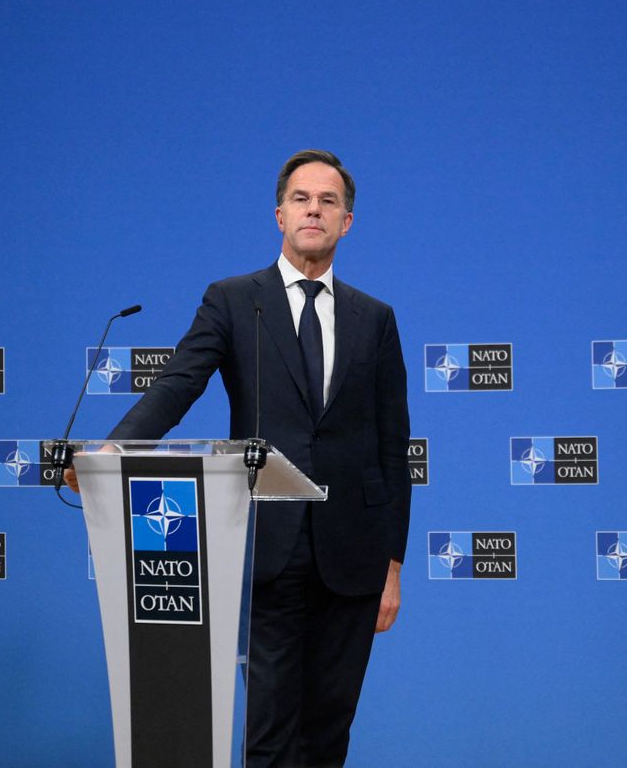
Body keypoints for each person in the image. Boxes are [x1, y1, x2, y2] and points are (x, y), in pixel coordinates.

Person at [69, 149, 410, 768]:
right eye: (302, 199)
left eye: (328, 201)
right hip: (267, 552)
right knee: (270, 733)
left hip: (352, 556)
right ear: (279, 215)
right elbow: (178, 384)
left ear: (347, 222)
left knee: (329, 733)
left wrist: (392, 565)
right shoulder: (233, 301)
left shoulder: (376, 320)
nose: (314, 209)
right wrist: (115, 448)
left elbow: (393, 449)